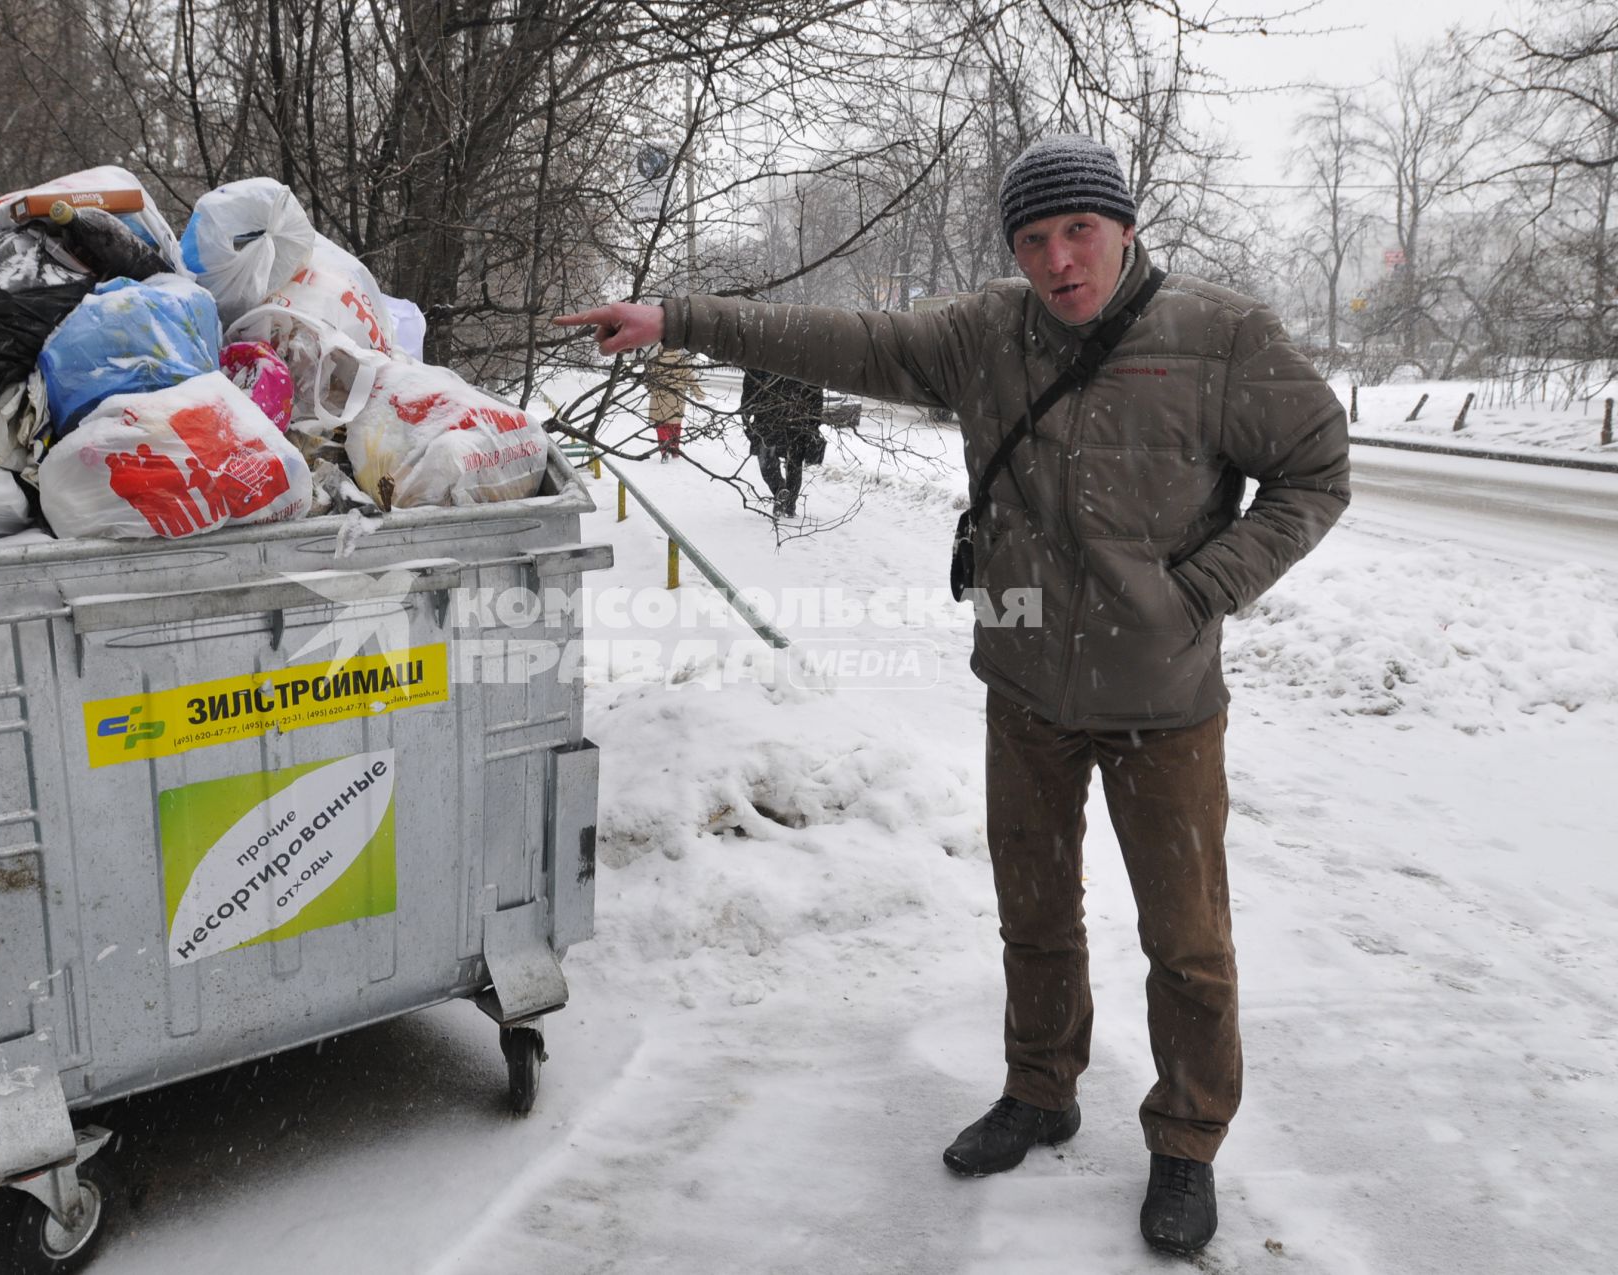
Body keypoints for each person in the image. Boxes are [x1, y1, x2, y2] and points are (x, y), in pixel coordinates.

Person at [555, 134, 1350, 1257]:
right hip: (1021, 681)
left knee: (1187, 939)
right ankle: (1040, 1089)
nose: (1058, 261)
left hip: (1163, 698)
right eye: (1033, 240)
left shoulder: (1222, 338)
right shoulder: (985, 335)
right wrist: (680, 317)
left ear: (1125, 226)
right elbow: (843, 338)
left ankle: (1186, 1140)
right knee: (1034, 910)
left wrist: (1204, 590)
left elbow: (1318, 472)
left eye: (1078, 231)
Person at [740, 368, 824, 518]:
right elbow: (816, 389)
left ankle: (784, 496)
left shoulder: (773, 353)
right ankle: (785, 498)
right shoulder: (801, 356)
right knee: (787, 462)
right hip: (783, 418)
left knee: (775, 459)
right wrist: (814, 421)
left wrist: (746, 411)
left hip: (782, 418)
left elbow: (750, 382)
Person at [644, 347, 699, 462]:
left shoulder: (656, 361)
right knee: (675, 427)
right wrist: (699, 393)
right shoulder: (681, 362)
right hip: (677, 402)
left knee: (661, 426)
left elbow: (648, 381)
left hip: (659, 401)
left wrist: (650, 386)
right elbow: (691, 379)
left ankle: (664, 450)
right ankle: (674, 449)